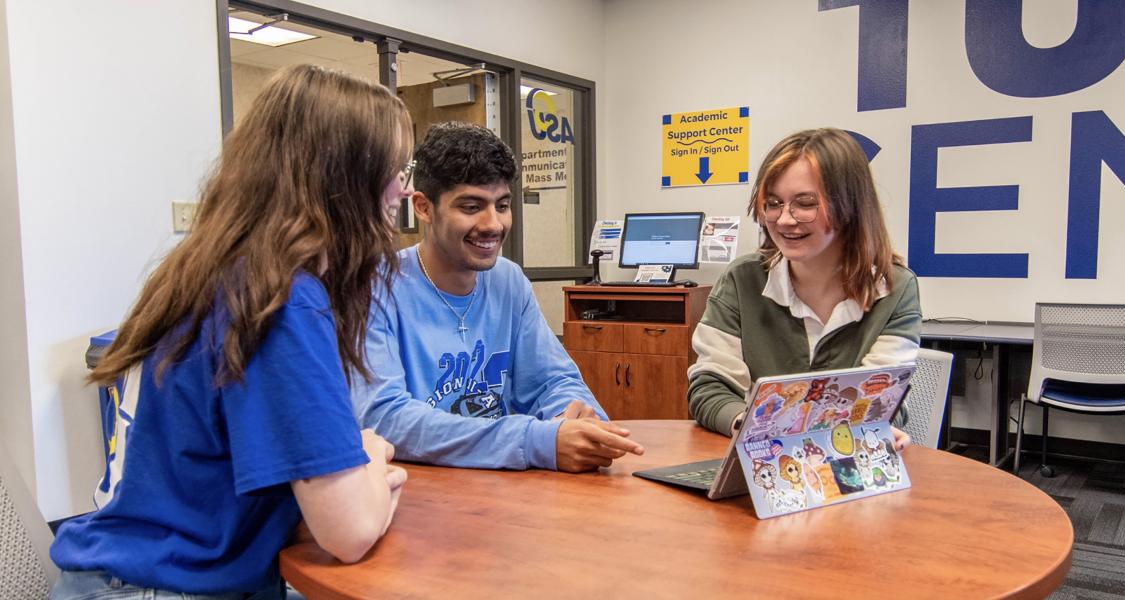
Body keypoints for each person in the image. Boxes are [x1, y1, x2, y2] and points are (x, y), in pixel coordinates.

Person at [50, 65, 413, 599]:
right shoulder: (282, 298)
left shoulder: (216, 270)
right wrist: (374, 464)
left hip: (110, 572)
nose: (403, 192)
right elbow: (350, 530)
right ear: (346, 179)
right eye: (397, 171)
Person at [352, 121, 643, 473]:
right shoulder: (376, 285)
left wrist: (573, 412)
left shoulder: (509, 281)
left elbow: (552, 379)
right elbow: (385, 417)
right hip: (415, 493)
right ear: (424, 208)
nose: (493, 224)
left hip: (500, 492)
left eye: (502, 205)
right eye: (471, 207)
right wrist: (534, 442)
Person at [687, 128, 920, 443]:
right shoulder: (742, 280)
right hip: (761, 461)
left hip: (846, 466)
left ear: (849, 205)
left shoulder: (894, 287)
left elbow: (883, 397)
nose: (784, 220)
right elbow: (711, 387)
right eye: (773, 203)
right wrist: (750, 426)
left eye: (805, 203)